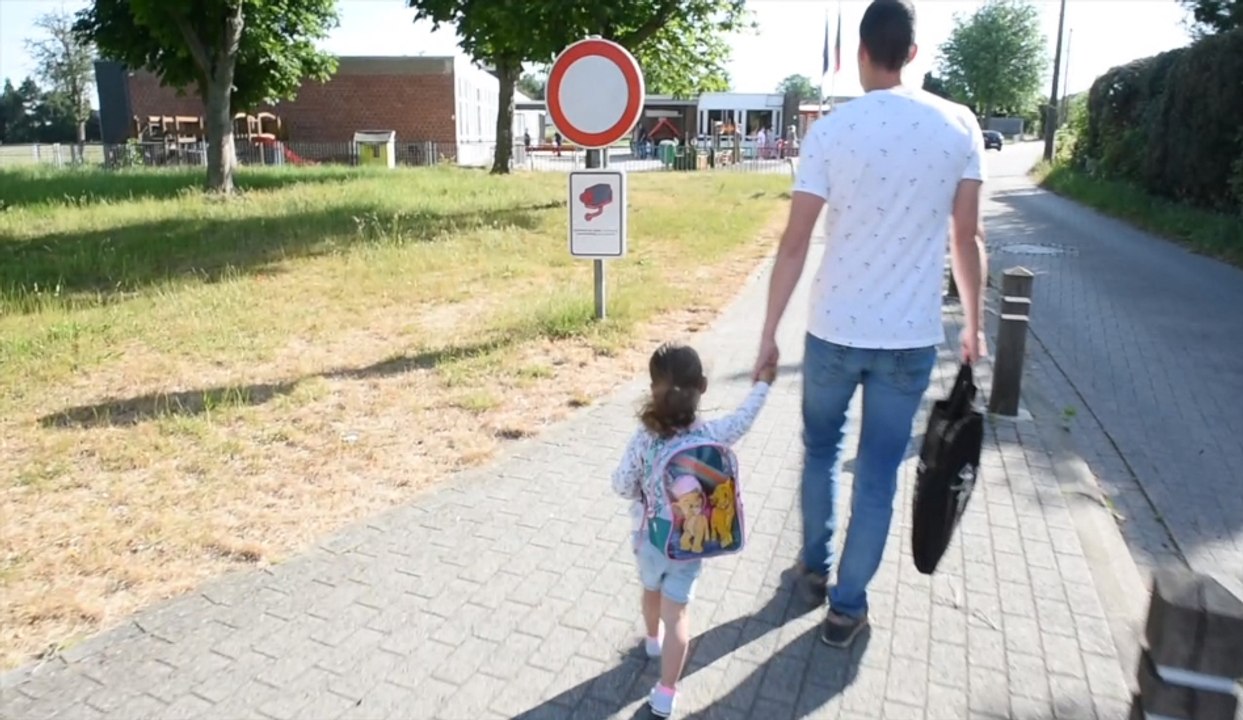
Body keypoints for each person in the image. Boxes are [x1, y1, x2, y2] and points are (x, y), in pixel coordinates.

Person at [752, 0, 988, 649]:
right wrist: (972, 325)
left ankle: (810, 569)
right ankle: (845, 609)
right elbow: (965, 239)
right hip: (908, 339)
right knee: (878, 471)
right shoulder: (957, 125)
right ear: (912, 53)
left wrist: (769, 328)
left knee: (821, 450)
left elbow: (794, 242)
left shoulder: (830, 130)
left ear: (861, 52)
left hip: (830, 328)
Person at [612, 342, 774, 718]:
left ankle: (653, 640)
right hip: (689, 546)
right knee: (678, 615)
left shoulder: (644, 439)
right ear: (702, 386)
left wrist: (638, 487)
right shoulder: (713, 434)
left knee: (650, 589)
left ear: (653, 389)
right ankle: (667, 692)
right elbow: (744, 418)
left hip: (650, 541)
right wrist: (762, 384)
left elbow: (621, 485)